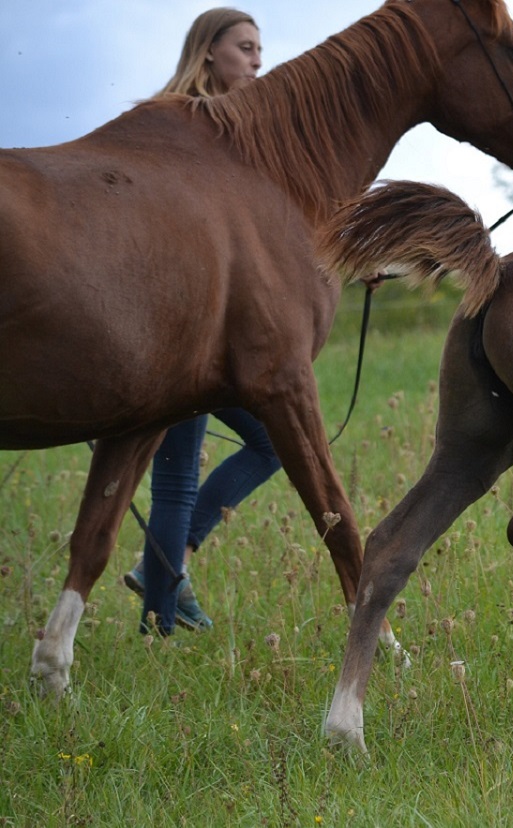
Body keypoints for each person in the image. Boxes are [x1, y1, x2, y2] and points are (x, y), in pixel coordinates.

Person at [129, 8, 280, 635]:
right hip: (179, 325)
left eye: (260, 49)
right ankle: (159, 621)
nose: (257, 61)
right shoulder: (182, 125)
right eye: (245, 48)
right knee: (177, 483)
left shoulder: (234, 133)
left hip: (213, 333)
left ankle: (168, 569)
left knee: (269, 443)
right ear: (209, 51)